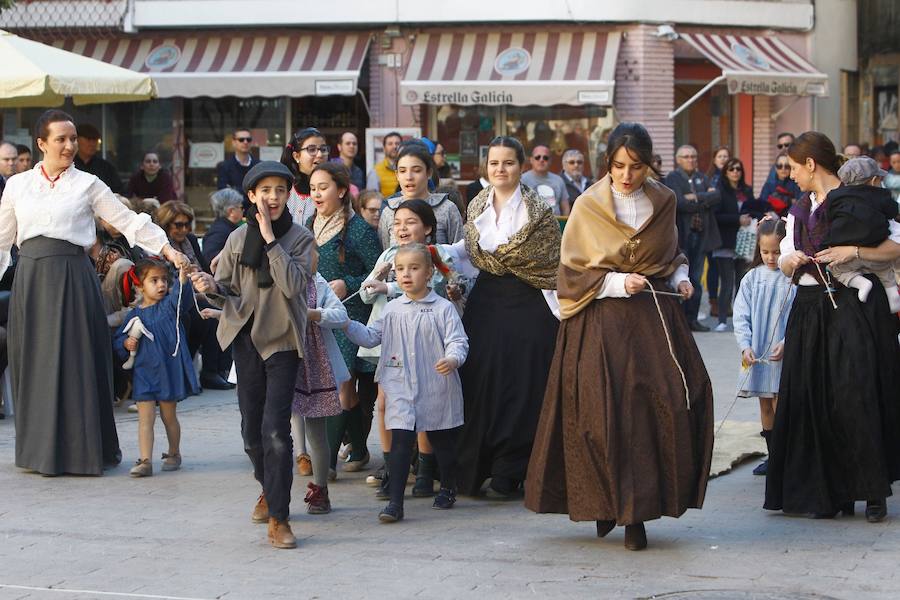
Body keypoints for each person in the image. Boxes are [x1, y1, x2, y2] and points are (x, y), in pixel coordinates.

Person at [525, 122, 713, 551]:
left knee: (670, 401)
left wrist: (682, 277)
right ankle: (616, 509)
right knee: (604, 413)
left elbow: (671, 254)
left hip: (654, 316)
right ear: (607, 163)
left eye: (636, 166)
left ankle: (642, 506)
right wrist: (613, 283)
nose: (627, 175)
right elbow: (569, 272)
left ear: (649, 165)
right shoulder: (589, 205)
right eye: (618, 166)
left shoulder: (663, 200)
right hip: (601, 321)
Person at [0, 109, 189, 476]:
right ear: (41, 143)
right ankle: (39, 453)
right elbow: (2, 241)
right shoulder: (18, 185)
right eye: (61, 139)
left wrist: (167, 250)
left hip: (73, 278)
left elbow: (127, 220)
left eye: (73, 138)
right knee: (35, 364)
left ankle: (82, 451)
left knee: (77, 365)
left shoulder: (88, 184)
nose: (70, 145)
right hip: (32, 280)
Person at [767, 131, 900, 522]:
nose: (790, 175)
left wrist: (853, 251)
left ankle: (872, 491)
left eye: (793, 167)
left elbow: (896, 244)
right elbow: (785, 256)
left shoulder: (858, 196)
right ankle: (829, 492)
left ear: (810, 164)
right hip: (809, 306)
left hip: (851, 308)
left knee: (854, 394)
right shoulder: (798, 208)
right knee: (813, 396)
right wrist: (788, 262)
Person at [191, 160, 316, 549]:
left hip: (282, 342)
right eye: (265, 191)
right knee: (251, 434)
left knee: (276, 431)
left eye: (280, 190)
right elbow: (226, 289)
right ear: (251, 196)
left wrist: (269, 239)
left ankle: (279, 516)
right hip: (244, 341)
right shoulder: (234, 240)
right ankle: (269, 487)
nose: (273, 197)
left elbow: (294, 286)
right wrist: (208, 284)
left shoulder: (301, 239)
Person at [446, 136, 561, 499]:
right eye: (494, 163)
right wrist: (438, 253)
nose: (500, 169)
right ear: (486, 168)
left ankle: (512, 469)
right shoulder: (478, 202)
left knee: (522, 385)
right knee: (478, 378)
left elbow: (546, 260)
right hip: (488, 300)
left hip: (529, 300)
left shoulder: (538, 209)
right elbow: (473, 250)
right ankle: (474, 467)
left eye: (508, 163)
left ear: (522, 165)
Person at [346, 243, 468, 522]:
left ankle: (449, 485)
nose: (406, 274)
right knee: (400, 442)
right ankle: (396, 503)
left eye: (414, 268)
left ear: (429, 273)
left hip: (437, 386)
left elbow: (458, 341)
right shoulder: (391, 310)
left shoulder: (443, 309)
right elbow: (369, 337)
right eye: (400, 269)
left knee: (442, 443)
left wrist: (452, 359)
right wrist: (345, 325)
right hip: (401, 387)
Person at [361, 200, 461, 499]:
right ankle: (393, 469)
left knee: (426, 410)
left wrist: (390, 288)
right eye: (397, 223)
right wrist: (376, 277)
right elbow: (367, 297)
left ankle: (427, 471)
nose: (402, 228)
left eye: (411, 222)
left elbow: (441, 287)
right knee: (386, 404)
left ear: (428, 228)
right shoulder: (388, 255)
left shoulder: (437, 255)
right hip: (389, 335)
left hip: (425, 340)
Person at [307, 162, 382, 478]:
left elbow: (378, 270)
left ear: (341, 190)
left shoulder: (361, 230)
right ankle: (359, 448)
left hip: (351, 315)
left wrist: (348, 282)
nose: (316, 194)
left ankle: (329, 464)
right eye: (312, 188)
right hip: (319, 316)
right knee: (341, 390)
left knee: (342, 385)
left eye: (323, 187)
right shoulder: (310, 223)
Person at [114, 258, 199, 477]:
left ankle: (174, 452)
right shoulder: (134, 316)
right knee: (145, 419)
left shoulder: (170, 306)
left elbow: (182, 298)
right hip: (144, 372)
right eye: (154, 280)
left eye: (164, 280)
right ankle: (145, 460)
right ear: (139, 286)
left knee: (169, 416)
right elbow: (119, 340)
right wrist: (126, 343)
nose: (161, 284)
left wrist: (182, 278)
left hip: (167, 372)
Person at [732, 217, 795, 477]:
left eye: (777, 252)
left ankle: (785, 457)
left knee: (782, 403)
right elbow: (741, 314)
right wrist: (745, 345)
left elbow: (798, 316)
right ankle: (772, 455)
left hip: (782, 352)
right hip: (758, 352)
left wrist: (787, 341)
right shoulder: (751, 279)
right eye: (765, 252)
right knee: (765, 404)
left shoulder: (793, 280)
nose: (771, 257)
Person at [290, 269, 349, 514]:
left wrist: (314, 314)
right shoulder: (268, 273)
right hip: (280, 357)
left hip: (314, 364)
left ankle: (320, 488)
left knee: (316, 430)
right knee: (273, 430)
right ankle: (271, 490)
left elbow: (341, 315)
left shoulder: (316, 281)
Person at [156, 201, 232, 390]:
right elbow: (163, 278)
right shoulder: (162, 245)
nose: (184, 229)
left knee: (226, 307)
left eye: (186, 224)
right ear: (166, 225)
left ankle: (220, 369)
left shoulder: (189, 240)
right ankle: (206, 372)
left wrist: (205, 284)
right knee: (204, 314)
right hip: (172, 296)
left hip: (197, 292)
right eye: (178, 225)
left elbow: (205, 269)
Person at [825, 157, 900, 313]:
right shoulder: (881, 195)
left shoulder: (834, 196)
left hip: (845, 258)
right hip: (876, 253)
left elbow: (829, 216)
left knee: (836, 270)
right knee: (886, 272)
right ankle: (893, 295)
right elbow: (893, 211)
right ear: (873, 180)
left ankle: (859, 283)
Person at [665, 144, 721, 332]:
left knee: (696, 278)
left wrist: (694, 197)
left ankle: (692, 319)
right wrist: (703, 199)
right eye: (687, 157)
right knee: (679, 277)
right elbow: (678, 202)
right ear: (678, 159)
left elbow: (717, 197)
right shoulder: (672, 178)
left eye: (693, 156)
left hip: (701, 236)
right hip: (682, 237)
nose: (691, 160)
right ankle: (679, 321)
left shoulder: (702, 177)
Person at [377, 143, 465, 250]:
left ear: (429, 173)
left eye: (416, 170)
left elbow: (460, 254)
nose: (409, 177)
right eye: (403, 171)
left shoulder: (448, 209)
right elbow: (386, 254)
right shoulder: (389, 211)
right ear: (397, 175)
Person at [712, 157, 755, 331]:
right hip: (725, 242)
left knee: (742, 282)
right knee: (727, 283)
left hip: (745, 240)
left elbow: (753, 208)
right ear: (725, 172)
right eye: (731, 169)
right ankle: (722, 320)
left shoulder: (747, 190)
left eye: (738, 169)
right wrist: (737, 219)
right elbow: (716, 216)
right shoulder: (720, 191)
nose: (735, 172)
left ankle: (740, 320)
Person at [283, 127, 329, 227]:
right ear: (296, 156)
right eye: (312, 149)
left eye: (323, 149)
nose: (320, 154)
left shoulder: (334, 189)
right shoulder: (284, 189)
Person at [521, 144, 570, 216]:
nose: (541, 160)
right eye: (537, 157)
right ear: (531, 160)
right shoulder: (522, 180)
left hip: (556, 224)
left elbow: (565, 208)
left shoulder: (558, 180)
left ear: (550, 161)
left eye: (545, 158)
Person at [74, 124, 123, 194]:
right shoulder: (68, 166)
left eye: (95, 140)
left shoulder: (106, 168)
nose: (92, 144)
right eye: (88, 139)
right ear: (77, 140)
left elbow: (118, 192)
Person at [216, 127, 260, 202]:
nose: (245, 142)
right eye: (241, 140)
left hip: (256, 211)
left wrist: (234, 189)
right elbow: (224, 193)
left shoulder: (259, 165)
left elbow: (261, 191)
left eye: (248, 140)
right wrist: (251, 190)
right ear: (233, 142)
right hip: (234, 210)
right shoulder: (224, 166)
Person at [203, 188, 244, 265]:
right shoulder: (220, 231)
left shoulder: (225, 227)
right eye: (241, 207)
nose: (243, 210)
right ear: (231, 211)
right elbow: (210, 256)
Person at [367, 131, 402, 197]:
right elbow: (371, 199)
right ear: (384, 148)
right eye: (390, 144)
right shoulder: (375, 172)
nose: (394, 146)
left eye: (397, 143)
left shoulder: (408, 169)